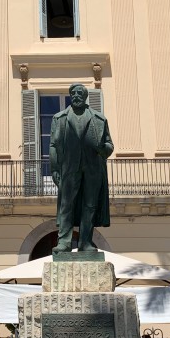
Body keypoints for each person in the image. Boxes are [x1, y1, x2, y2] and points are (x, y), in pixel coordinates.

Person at [49, 83, 114, 253]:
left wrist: (102, 149)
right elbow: (53, 145)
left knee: (90, 205)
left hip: (93, 169)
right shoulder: (60, 118)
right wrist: (55, 168)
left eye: (79, 93)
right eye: (73, 93)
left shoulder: (99, 119)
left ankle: (85, 242)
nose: (76, 95)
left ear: (85, 96)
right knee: (66, 204)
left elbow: (109, 145)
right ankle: (64, 242)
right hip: (69, 168)